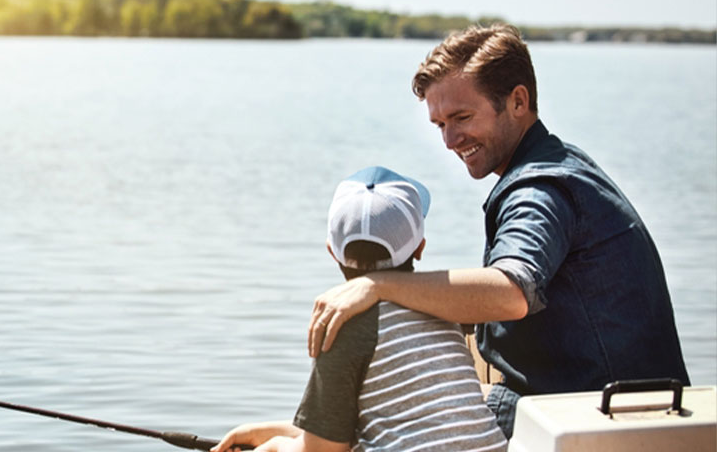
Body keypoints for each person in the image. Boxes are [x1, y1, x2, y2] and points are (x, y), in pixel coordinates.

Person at [306, 24, 690, 437]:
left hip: (590, 417)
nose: (451, 140)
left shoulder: (538, 191)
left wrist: (376, 285)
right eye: (439, 125)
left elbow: (511, 292)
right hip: (618, 406)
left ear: (518, 101)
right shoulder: (563, 164)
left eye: (462, 117)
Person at [211, 166, 507, 452]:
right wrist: (260, 432)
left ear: (331, 250)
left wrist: (275, 446)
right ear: (420, 247)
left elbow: (322, 451)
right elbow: (382, 425)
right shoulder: (444, 308)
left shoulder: (343, 322)